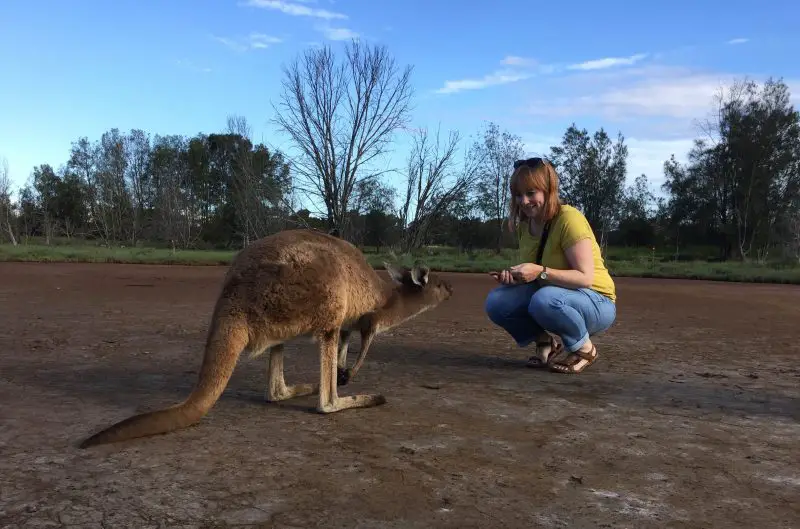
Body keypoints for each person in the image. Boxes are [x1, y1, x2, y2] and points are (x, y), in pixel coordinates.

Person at [484, 157, 617, 374]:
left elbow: (584, 278)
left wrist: (539, 272)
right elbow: (537, 274)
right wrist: (515, 277)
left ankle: (585, 349)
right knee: (497, 301)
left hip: (596, 301)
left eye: (531, 193)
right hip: (554, 294)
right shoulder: (525, 226)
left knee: (544, 300)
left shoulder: (569, 219)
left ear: (548, 190)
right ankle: (544, 342)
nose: (524, 201)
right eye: (518, 195)